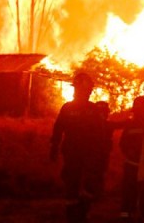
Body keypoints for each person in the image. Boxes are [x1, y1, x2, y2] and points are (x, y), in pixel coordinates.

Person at [50, 72, 106, 223]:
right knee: (71, 183)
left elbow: (100, 133)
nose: (86, 93)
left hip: (89, 154)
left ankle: (83, 212)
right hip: (72, 152)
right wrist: (54, 146)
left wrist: (100, 154)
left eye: (88, 91)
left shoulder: (93, 109)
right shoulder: (67, 108)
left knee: (89, 184)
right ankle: (72, 214)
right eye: (84, 90)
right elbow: (58, 128)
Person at [119, 96, 144, 221]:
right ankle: (126, 217)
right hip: (132, 165)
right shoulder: (130, 125)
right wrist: (129, 152)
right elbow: (123, 143)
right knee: (128, 195)